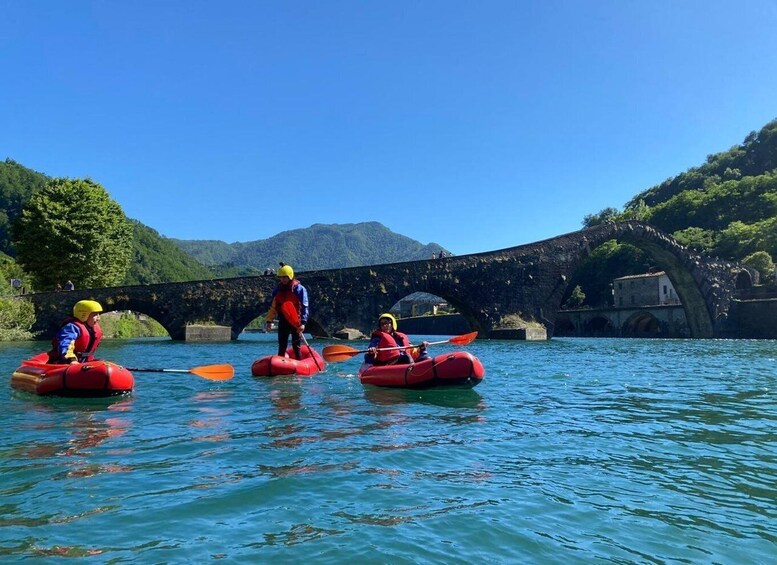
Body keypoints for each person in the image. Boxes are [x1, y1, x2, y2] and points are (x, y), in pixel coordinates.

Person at [264, 263, 309, 359]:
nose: (283, 280)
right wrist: (269, 321)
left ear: (290, 276)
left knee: (296, 347)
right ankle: (281, 366)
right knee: (282, 345)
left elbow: (305, 306)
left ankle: (298, 364)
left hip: (296, 320)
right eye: (281, 277)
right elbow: (273, 307)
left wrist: (303, 323)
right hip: (283, 319)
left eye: (285, 277)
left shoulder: (299, 289)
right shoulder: (277, 290)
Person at [48, 300, 103, 364]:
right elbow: (65, 344)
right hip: (65, 362)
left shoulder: (93, 328)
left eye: (98, 314)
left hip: (85, 362)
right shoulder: (72, 328)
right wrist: (72, 360)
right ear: (84, 315)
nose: (98, 318)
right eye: (95, 315)